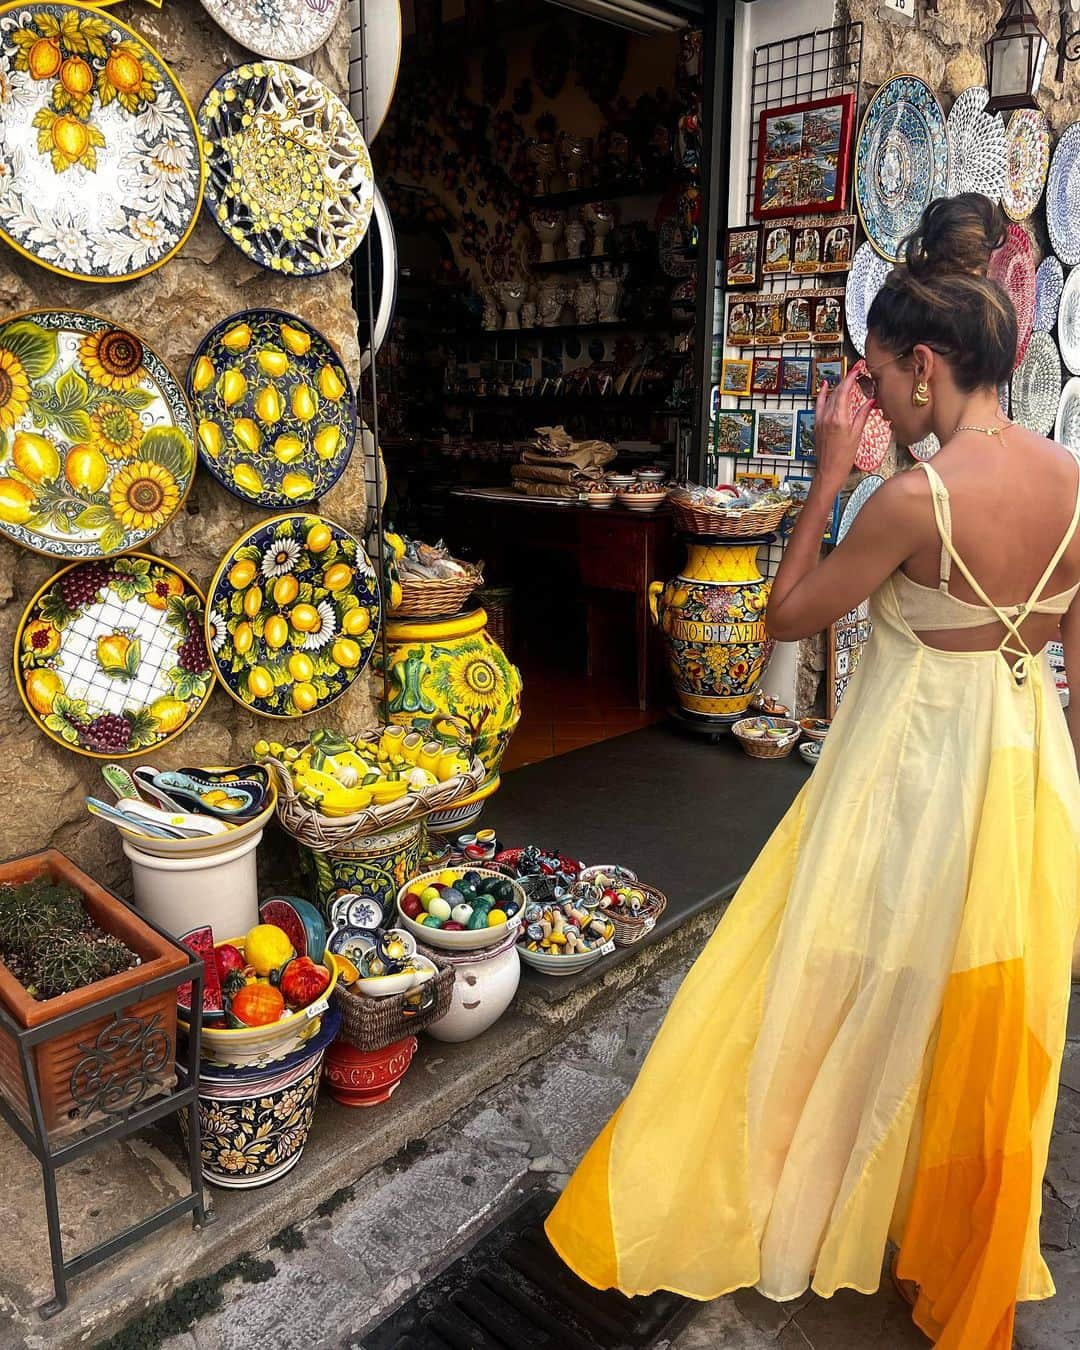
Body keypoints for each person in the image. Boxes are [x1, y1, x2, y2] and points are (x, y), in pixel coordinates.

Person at [545, 194, 1080, 1350]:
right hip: (1030, 771)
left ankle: (811, 1184)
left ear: (928, 369)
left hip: (913, 768)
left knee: (839, 961)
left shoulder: (909, 499)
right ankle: (933, 1220)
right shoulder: (1076, 483)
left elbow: (787, 615)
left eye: (882, 378)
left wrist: (830, 474)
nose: (875, 400)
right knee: (974, 999)